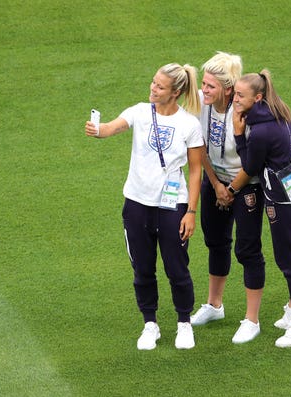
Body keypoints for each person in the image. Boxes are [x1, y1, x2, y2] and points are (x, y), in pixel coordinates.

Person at [84, 63, 204, 350]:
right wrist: (98, 130)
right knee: (143, 269)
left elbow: (196, 171)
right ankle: (150, 324)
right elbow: (114, 127)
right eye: (153, 82)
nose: (153, 88)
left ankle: (184, 323)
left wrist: (191, 212)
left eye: (160, 86)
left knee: (177, 269)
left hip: (173, 207)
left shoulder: (189, 124)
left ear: (175, 92)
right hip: (137, 204)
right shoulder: (139, 111)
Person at [231, 69, 291, 348]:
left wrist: (238, 135)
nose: (235, 99)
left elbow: (251, 167)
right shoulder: (278, 111)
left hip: (283, 199)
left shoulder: (261, 131)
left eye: (240, 95)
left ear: (257, 97)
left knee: (287, 258)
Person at [189, 52, 266, 344]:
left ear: (228, 88)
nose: (204, 90)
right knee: (215, 242)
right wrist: (215, 184)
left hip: (247, 183)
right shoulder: (201, 103)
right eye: (204, 84)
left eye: (210, 86)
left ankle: (252, 320)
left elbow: (254, 161)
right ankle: (214, 305)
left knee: (248, 250)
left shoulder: (246, 113)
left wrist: (231, 189)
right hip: (215, 181)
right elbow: (200, 146)